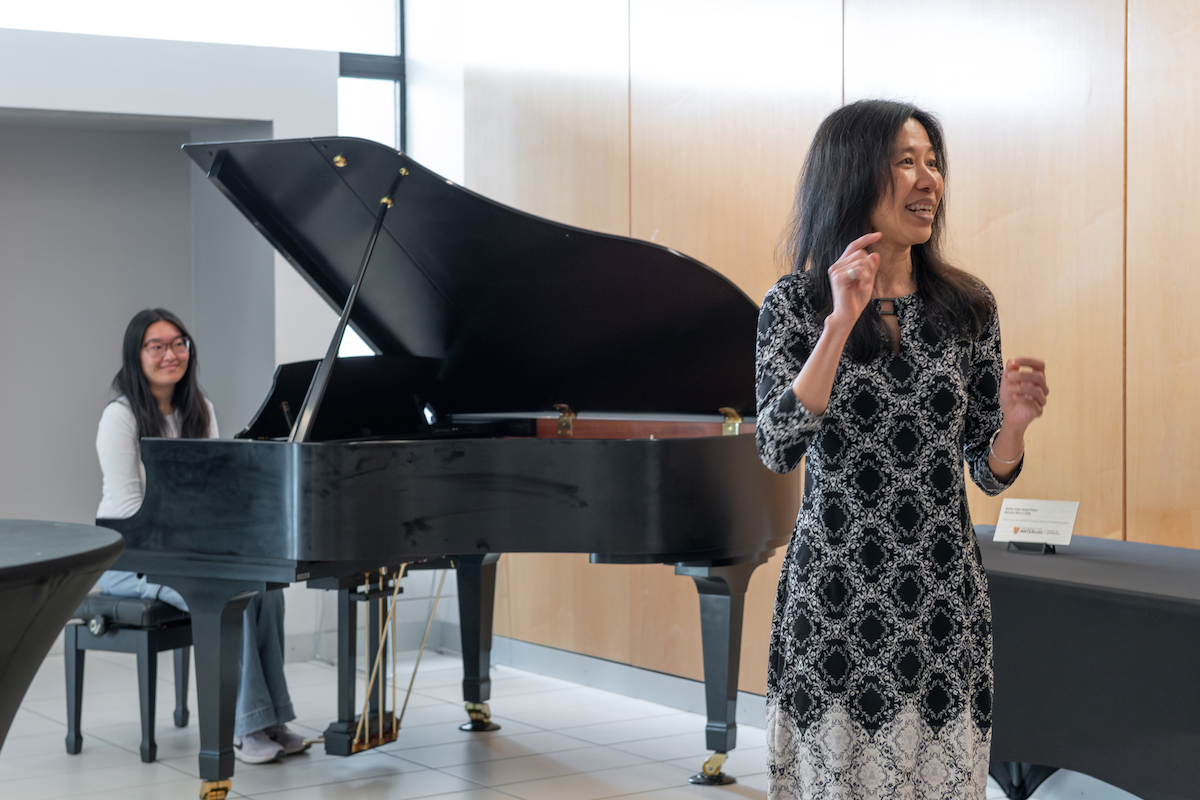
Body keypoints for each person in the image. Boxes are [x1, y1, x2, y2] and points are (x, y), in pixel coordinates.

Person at [755, 100, 1049, 798]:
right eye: (907, 163)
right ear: (855, 177)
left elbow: (987, 468)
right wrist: (838, 325)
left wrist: (1011, 427)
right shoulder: (795, 305)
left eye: (935, 163)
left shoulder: (968, 306)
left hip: (943, 597)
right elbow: (776, 446)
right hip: (836, 595)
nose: (930, 182)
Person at [95, 308, 309, 764]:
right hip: (129, 557)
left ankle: (272, 719)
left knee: (267, 589)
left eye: (179, 344)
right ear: (137, 356)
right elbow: (130, 508)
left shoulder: (200, 409)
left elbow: (211, 490)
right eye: (157, 346)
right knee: (229, 594)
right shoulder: (120, 418)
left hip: (188, 549)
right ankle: (245, 727)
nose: (171, 354)